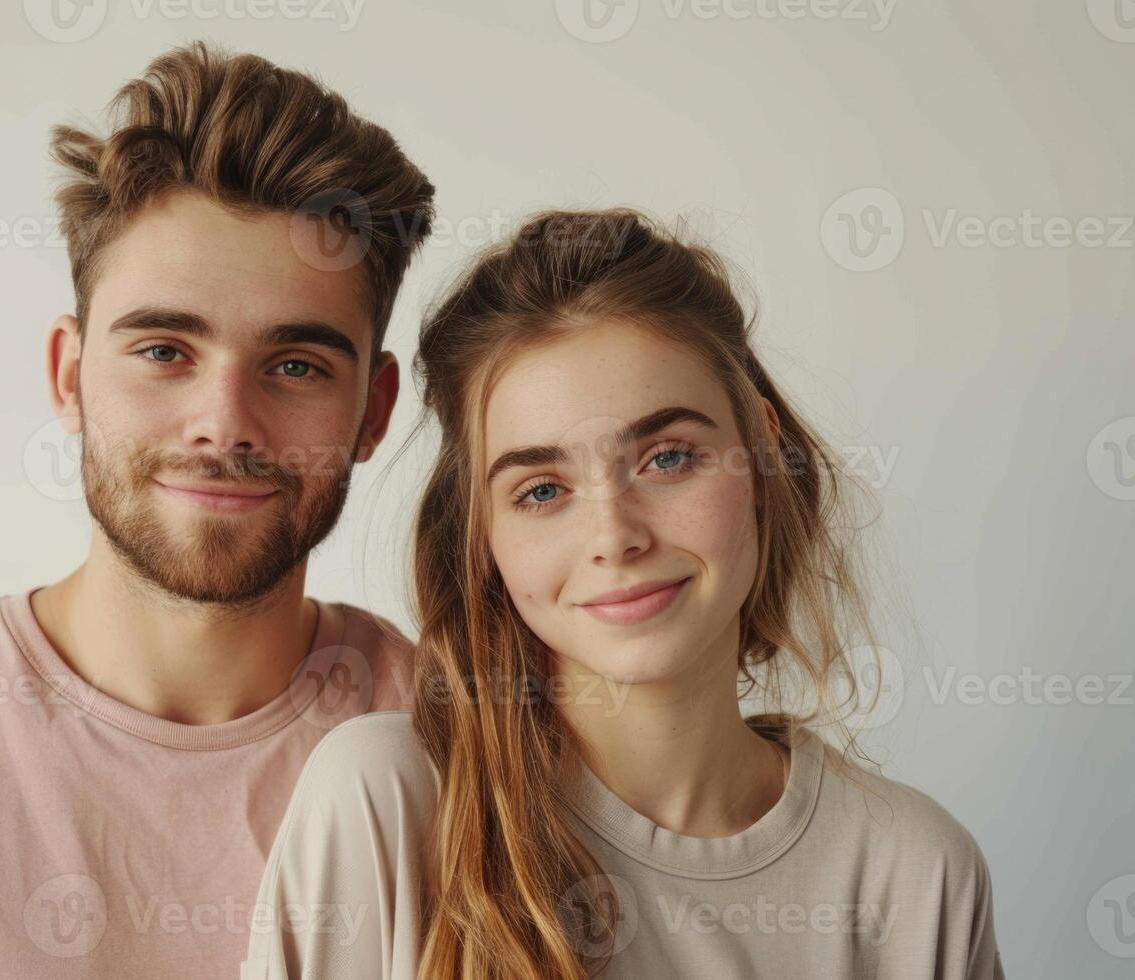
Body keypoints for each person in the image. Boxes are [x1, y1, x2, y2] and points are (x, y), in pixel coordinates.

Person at [0, 41, 434, 979]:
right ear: (69, 374)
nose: (224, 424)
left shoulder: (466, 753)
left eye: (295, 365)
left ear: (373, 411)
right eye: (165, 351)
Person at [242, 209, 1004, 979]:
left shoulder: (918, 875)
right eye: (542, 491)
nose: (615, 536)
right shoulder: (386, 804)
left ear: (763, 450)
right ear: (483, 538)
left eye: (669, 457)